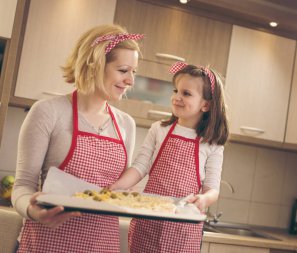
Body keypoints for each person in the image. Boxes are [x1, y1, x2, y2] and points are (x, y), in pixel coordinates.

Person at [11, 24, 143, 253]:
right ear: (95, 64)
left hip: (103, 246)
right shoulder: (48, 112)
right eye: (123, 70)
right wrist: (34, 211)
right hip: (47, 244)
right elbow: (22, 187)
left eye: (134, 72)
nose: (131, 80)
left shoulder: (126, 125)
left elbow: (115, 193)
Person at [110, 61, 229, 253]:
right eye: (176, 91)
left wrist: (204, 199)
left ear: (206, 104)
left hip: (183, 230)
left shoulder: (211, 143)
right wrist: (118, 185)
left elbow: (212, 189)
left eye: (186, 93)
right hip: (147, 223)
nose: (177, 97)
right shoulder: (159, 129)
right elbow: (140, 166)